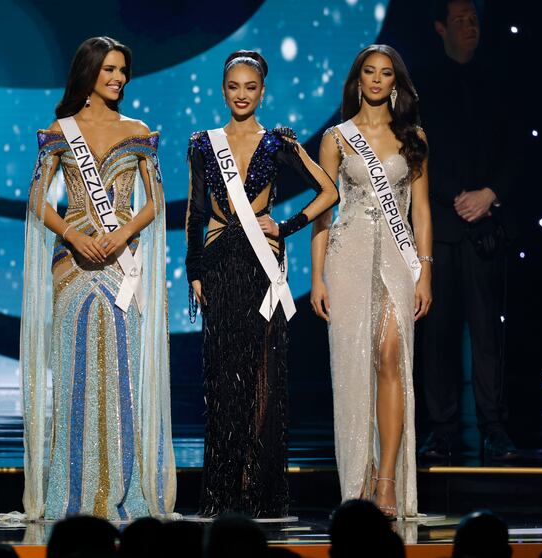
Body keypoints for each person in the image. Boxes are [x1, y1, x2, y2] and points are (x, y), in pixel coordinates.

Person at [18, 36, 175, 521]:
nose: (118, 78)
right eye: (109, 69)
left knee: (123, 376)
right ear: (88, 73)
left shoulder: (138, 131)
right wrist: (71, 233)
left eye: (123, 70)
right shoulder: (60, 132)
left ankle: (124, 488)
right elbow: (37, 201)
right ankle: (72, 489)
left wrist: (124, 232)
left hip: (121, 264)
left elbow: (157, 201)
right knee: (75, 377)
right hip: (73, 264)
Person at [185, 50, 339, 517]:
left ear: (262, 91)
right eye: (234, 87)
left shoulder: (278, 141)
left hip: (261, 267)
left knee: (261, 376)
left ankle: (258, 483)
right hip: (217, 265)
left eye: (250, 87)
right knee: (222, 376)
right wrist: (193, 270)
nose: (242, 95)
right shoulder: (203, 143)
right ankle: (223, 487)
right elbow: (195, 210)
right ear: (223, 89)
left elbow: (329, 190)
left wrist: (286, 226)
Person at [310, 44, 432, 519]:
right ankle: (357, 481)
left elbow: (420, 211)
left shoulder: (413, 137)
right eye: (369, 72)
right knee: (353, 367)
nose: (377, 80)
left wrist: (425, 273)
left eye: (385, 73)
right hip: (348, 258)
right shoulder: (337, 138)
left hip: (400, 263)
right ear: (358, 80)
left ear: (394, 82)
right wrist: (316, 277)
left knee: (389, 358)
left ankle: (387, 483)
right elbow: (323, 212)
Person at [416, 0, 520, 464]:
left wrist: (490, 194)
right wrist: (457, 195)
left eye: (473, 18)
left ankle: (494, 427)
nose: (469, 26)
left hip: (486, 226)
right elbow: (414, 154)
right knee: (436, 333)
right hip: (438, 225)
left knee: (487, 332)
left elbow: (519, 150)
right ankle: (442, 428)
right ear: (440, 28)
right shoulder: (422, 84)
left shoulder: (501, 79)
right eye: (459, 19)